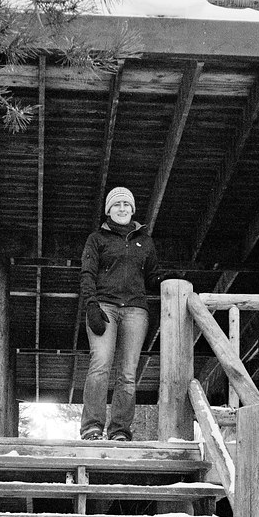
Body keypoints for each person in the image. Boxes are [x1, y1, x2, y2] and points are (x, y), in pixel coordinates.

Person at [79, 187, 162, 442]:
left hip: (136, 311)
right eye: (117, 205)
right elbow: (87, 273)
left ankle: (120, 430)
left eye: (127, 204)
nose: (122, 208)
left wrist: (167, 280)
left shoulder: (144, 241)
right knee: (100, 364)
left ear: (133, 209)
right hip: (104, 307)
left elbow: (151, 276)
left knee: (127, 372)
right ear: (109, 210)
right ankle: (92, 427)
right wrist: (91, 305)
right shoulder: (97, 239)